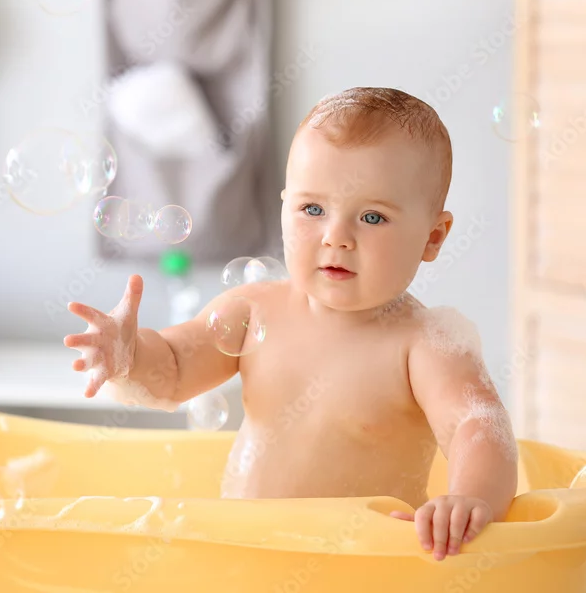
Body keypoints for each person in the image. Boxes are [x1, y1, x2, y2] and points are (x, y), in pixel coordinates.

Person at [63, 87, 518, 561]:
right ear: (284, 208)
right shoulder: (251, 311)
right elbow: (175, 367)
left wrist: (470, 498)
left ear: (433, 237)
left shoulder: (423, 346)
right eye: (313, 209)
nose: (336, 237)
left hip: (362, 570)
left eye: (372, 217)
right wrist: (130, 356)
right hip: (247, 560)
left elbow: (478, 427)